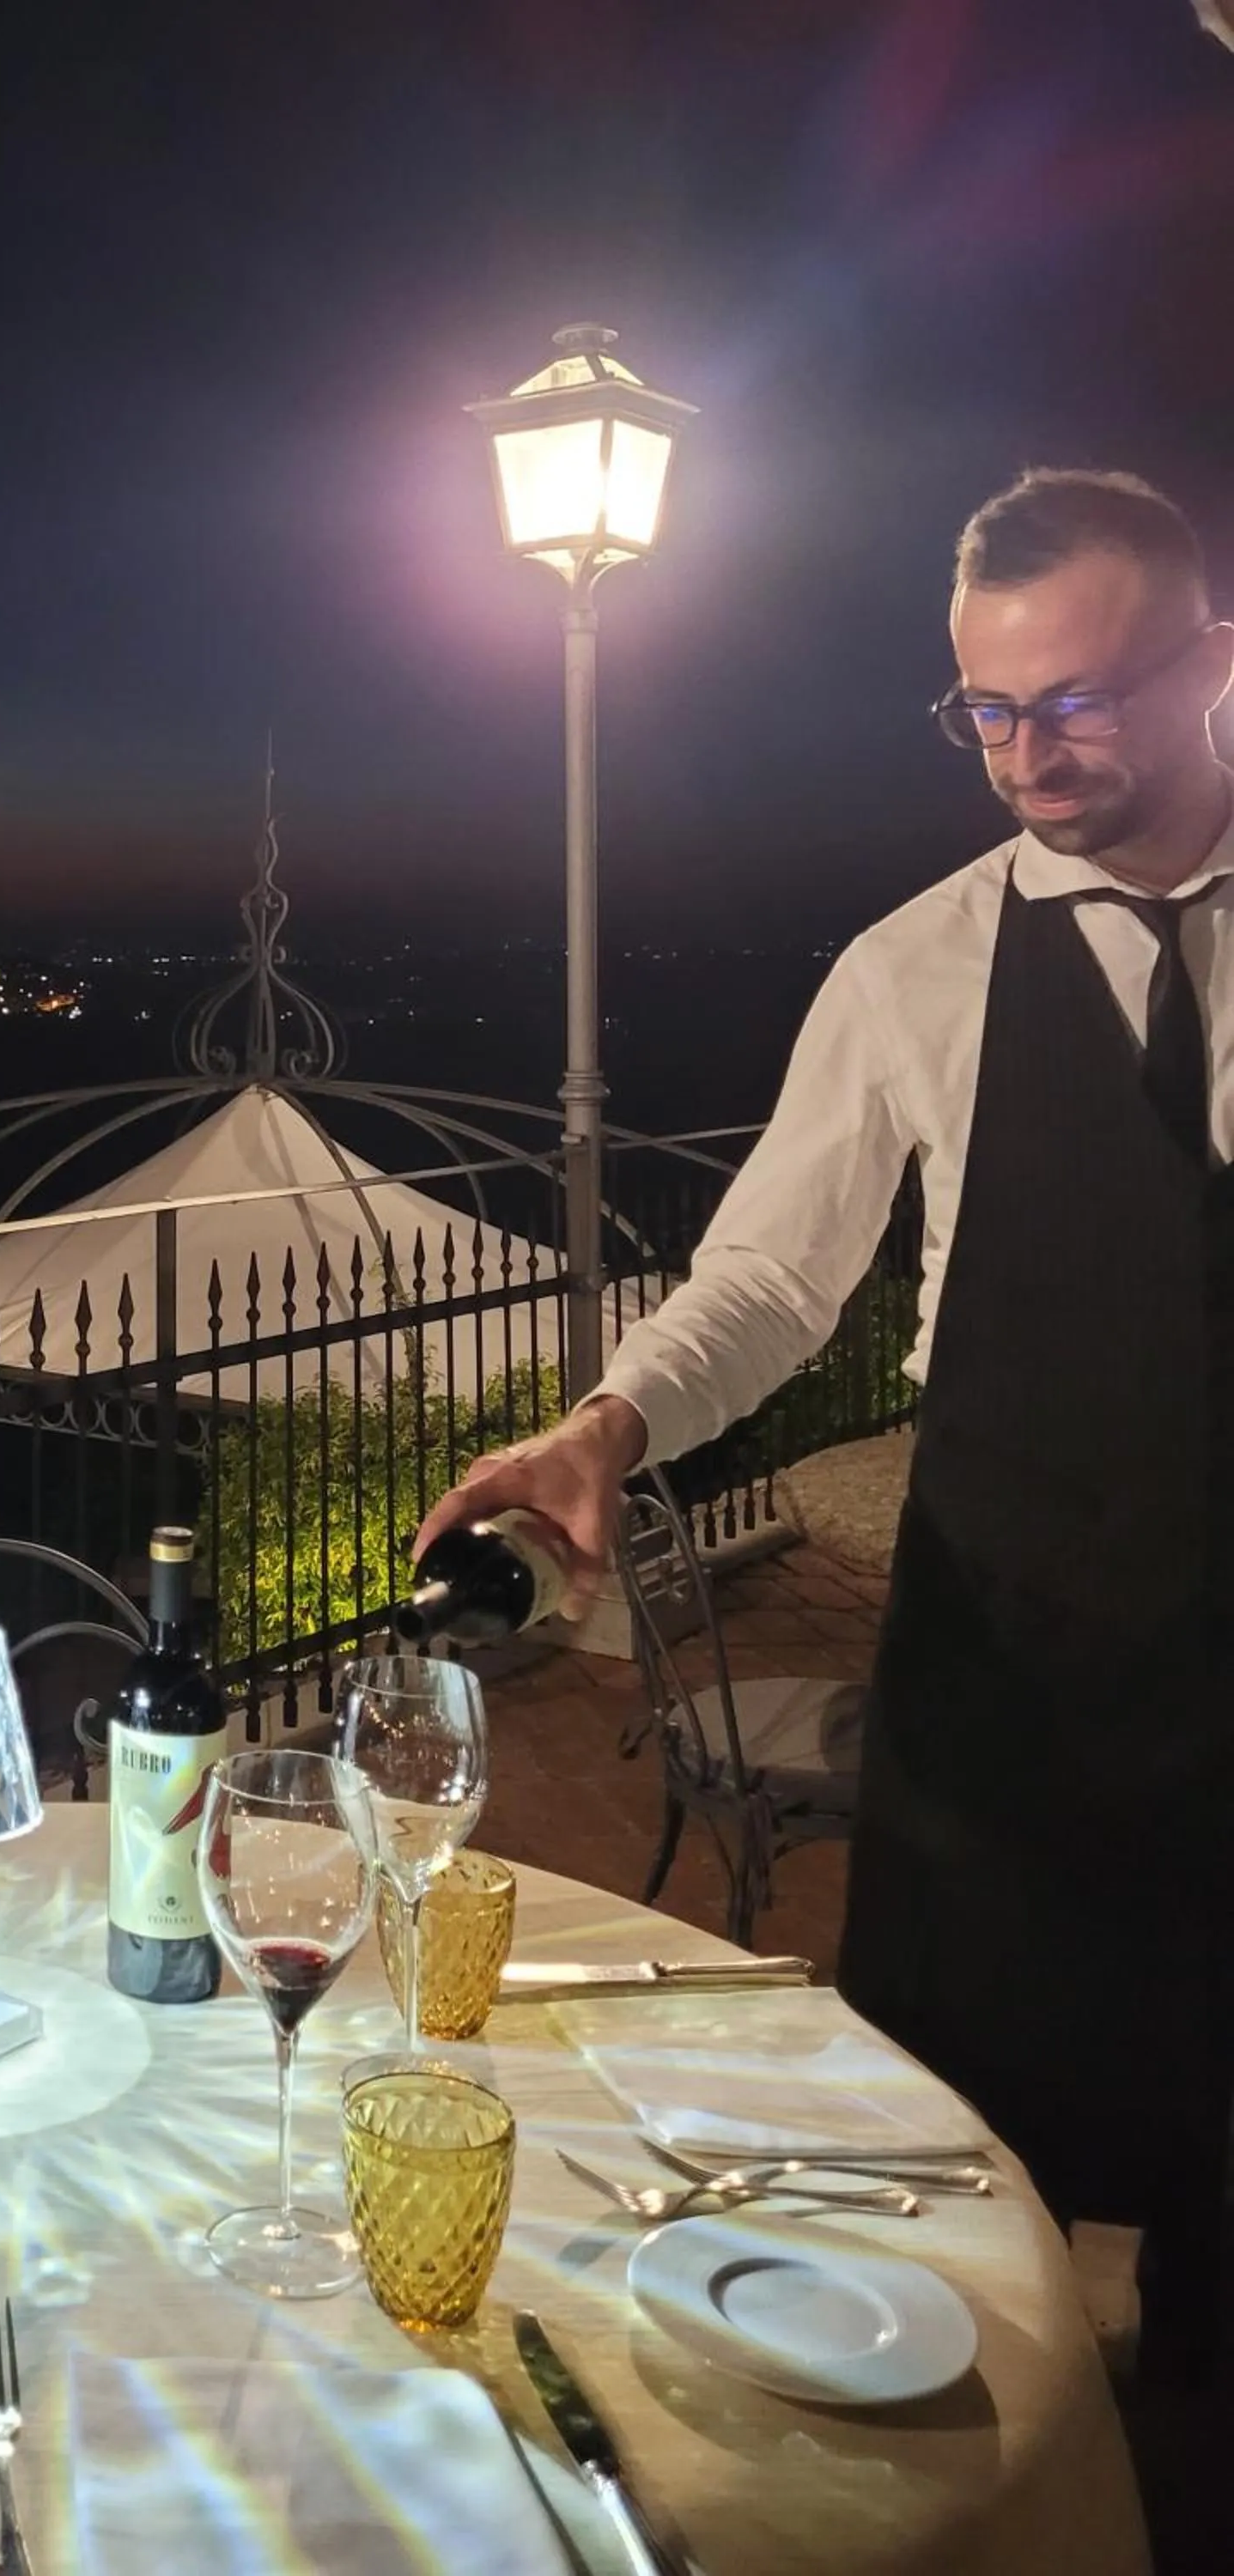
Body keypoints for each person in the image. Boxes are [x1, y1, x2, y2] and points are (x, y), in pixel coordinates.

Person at [416, 467, 1234, 2376]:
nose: (1027, 754)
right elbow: (775, 1283)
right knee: (957, 2202)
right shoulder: (912, 969)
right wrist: (609, 1425)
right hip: (1001, 1674)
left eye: (1081, 700)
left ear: (1210, 663)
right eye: (988, 712)